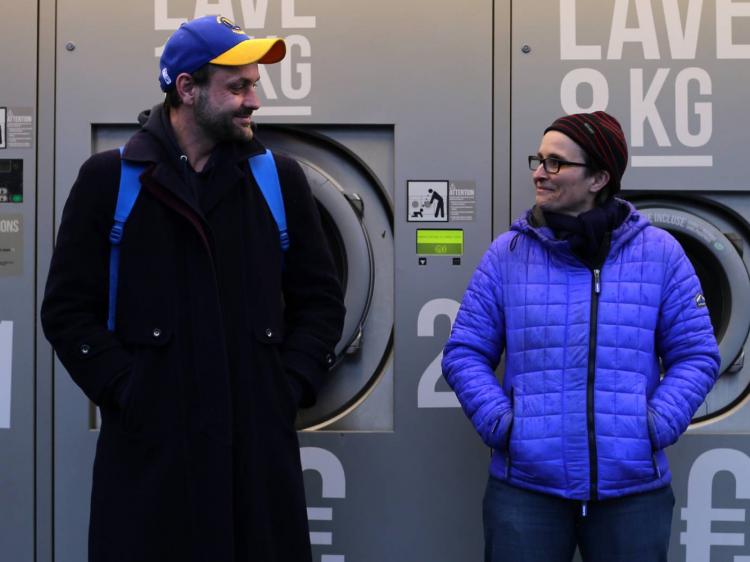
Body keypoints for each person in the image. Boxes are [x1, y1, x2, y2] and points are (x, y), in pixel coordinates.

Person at [41, 15, 345, 562]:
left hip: (256, 457)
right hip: (151, 459)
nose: (254, 100)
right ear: (186, 88)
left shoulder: (280, 181)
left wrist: (287, 386)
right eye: (238, 86)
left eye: (254, 84)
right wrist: (128, 389)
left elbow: (321, 301)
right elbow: (65, 311)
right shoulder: (110, 180)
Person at [442, 111, 720, 562]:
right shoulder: (509, 254)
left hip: (631, 492)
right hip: (527, 490)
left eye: (555, 163)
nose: (538, 172)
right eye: (539, 159)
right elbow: (464, 352)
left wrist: (654, 424)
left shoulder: (660, 254)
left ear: (598, 178)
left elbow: (697, 355)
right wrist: (504, 425)